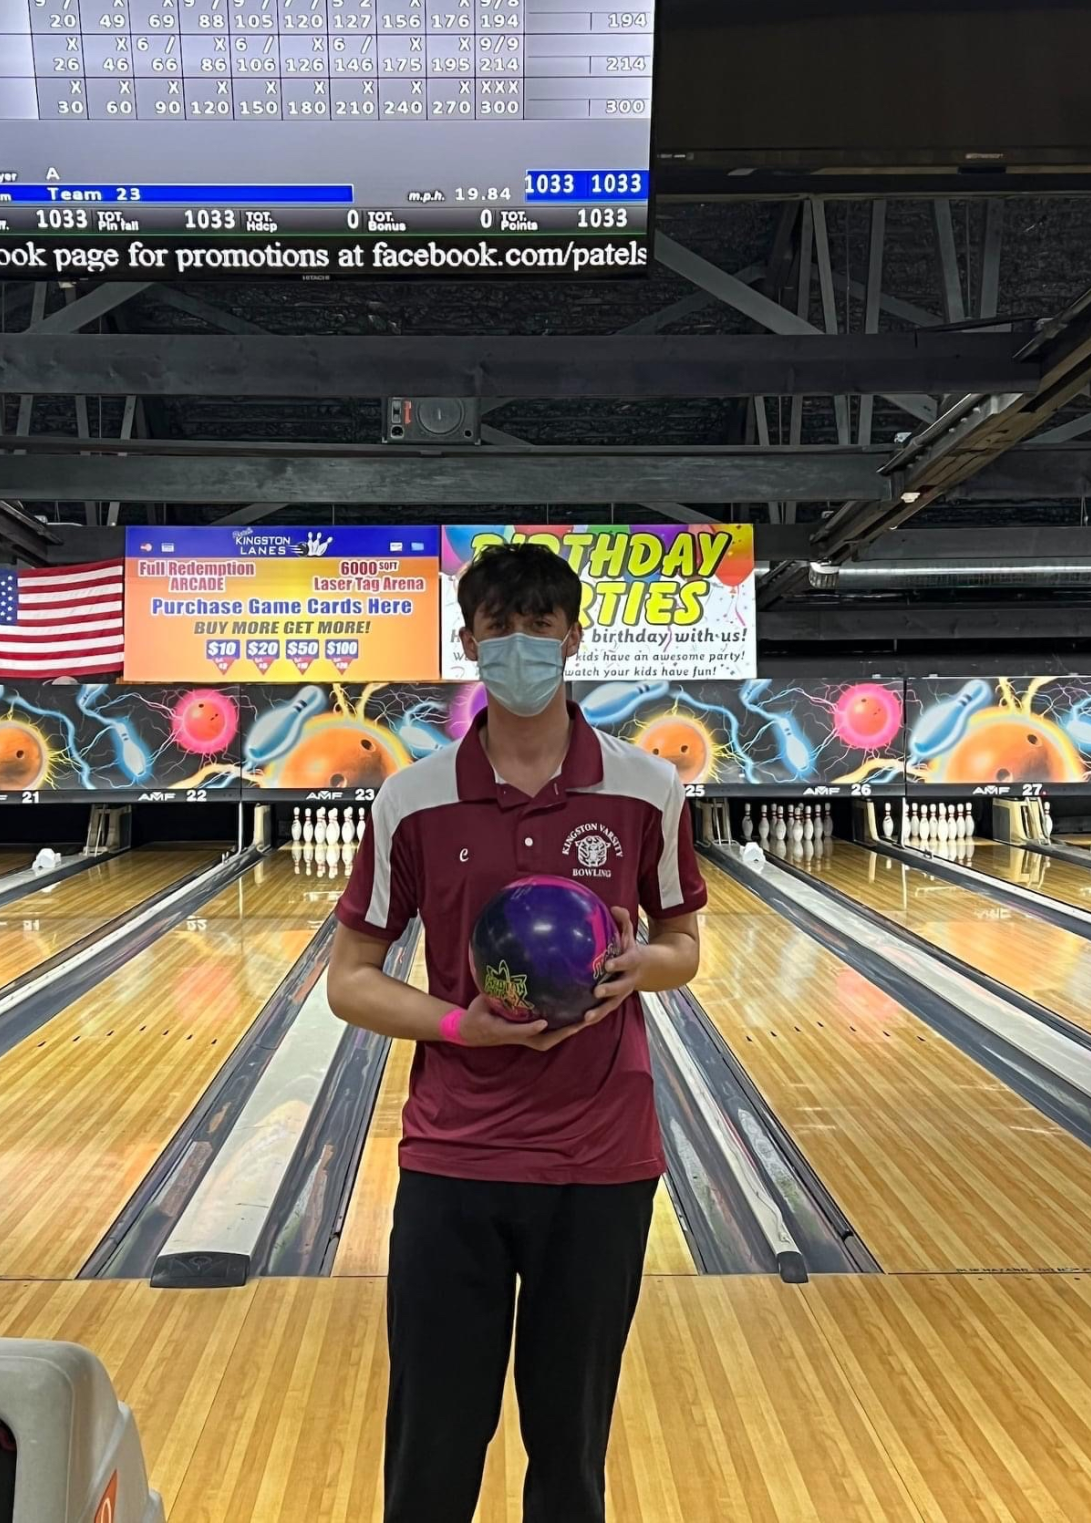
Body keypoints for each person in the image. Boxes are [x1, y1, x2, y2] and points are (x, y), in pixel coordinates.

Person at [328, 541, 706, 1523]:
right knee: (432, 1451)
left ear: (573, 636)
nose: (523, 645)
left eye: (542, 626)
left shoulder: (646, 789)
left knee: (571, 1454)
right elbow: (349, 982)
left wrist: (635, 971)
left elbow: (683, 943)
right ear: (470, 641)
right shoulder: (411, 795)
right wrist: (466, 1026)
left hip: (603, 1156)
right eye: (502, 627)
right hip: (457, 1154)